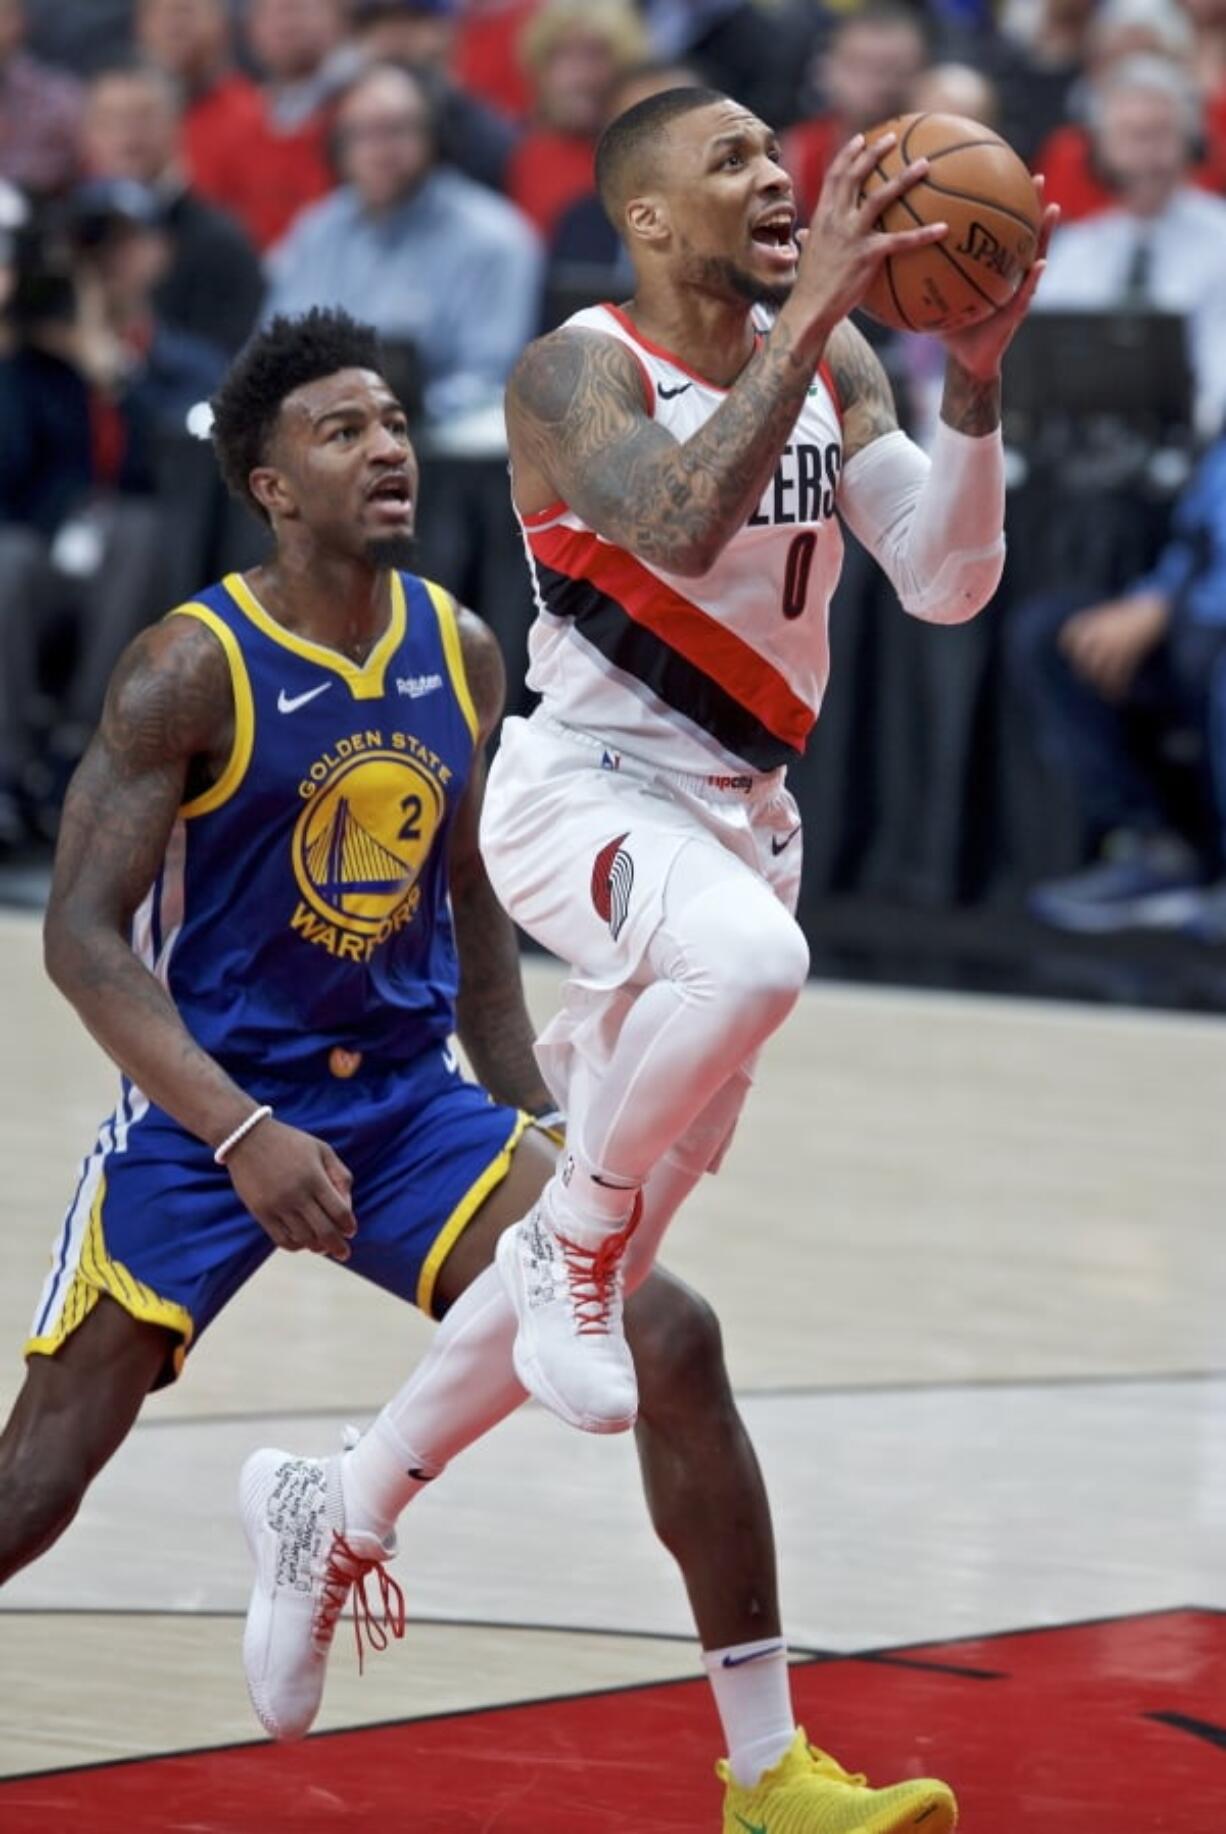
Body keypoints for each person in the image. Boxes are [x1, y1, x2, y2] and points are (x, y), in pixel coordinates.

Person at [0, 305, 944, 1833]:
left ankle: (771, 1774)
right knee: (37, 1482)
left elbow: (474, 913)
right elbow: (82, 946)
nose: (384, 451)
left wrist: (541, 1117)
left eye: (390, 423)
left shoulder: (462, 648)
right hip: (207, 1112)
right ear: (267, 484)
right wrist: (237, 1128)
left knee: (666, 1331)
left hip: (401, 1098)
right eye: (340, 432)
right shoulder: (188, 664)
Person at [477, 87, 1052, 1451]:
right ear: (650, 218)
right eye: (729, 159)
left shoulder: (837, 357)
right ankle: (570, 1224)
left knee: (616, 1265)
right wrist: (804, 328)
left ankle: (347, 1499)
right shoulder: (577, 368)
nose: (777, 175)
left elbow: (943, 582)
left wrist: (971, 377)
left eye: (772, 151)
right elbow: (674, 527)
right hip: (583, 786)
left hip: (742, 823)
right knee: (745, 974)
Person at [1009, 427, 1226, 935]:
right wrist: (1154, 599)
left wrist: (1163, 608)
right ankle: (1160, 851)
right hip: (1191, 621)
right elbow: (1195, 539)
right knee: (1054, 639)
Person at [264, 61, 542, 425]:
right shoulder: (317, 231)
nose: (378, 150)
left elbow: (491, 381)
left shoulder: (496, 240)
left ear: (434, 138)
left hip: (441, 450)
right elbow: (272, 349)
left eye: (396, 131)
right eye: (360, 134)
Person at [1033, 55, 1226, 435]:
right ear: (1100, 146)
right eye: (1130, 134)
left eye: (1159, 132)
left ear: (1192, 140)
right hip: (1084, 448)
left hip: (1203, 448)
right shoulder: (1074, 250)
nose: (1146, 152)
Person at [81, 62, 265, 355]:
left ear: (177, 126)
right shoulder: (63, 237)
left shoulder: (220, 242)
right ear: (87, 134)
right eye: (113, 120)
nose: (129, 134)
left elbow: (224, 371)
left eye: (144, 118)